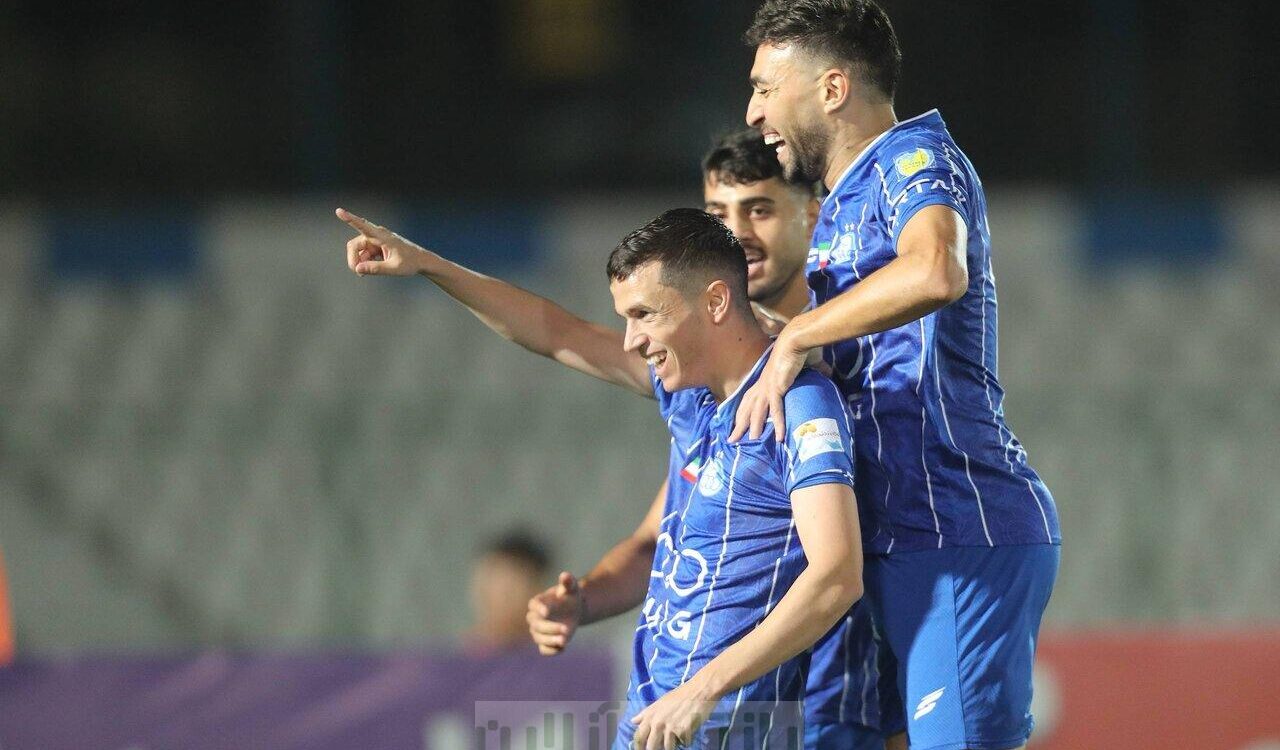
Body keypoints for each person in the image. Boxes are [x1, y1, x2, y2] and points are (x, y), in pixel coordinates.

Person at [337, 206, 864, 749]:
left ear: (714, 302)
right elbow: (556, 332)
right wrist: (428, 264)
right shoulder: (693, 403)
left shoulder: (799, 405)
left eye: (644, 315)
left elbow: (837, 576)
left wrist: (703, 689)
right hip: (651, 727)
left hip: (731, 729)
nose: (631, 340)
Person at [736, 2, 1061, 749]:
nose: (753, 113)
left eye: (764, 88)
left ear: (833, 88)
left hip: (957, 532)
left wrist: (801, 334)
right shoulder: (843, 201)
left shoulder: (913, 159)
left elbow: (937, 270)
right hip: (896, 539)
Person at [464, 531, 553, 654]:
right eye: (491, 579)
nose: (499, 598)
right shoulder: (452, 660)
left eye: (510, 591)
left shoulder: (557, 660)